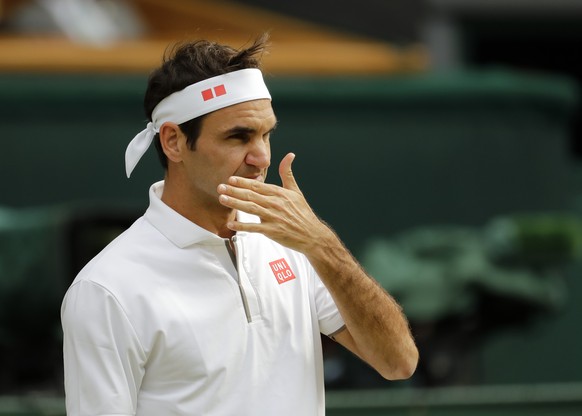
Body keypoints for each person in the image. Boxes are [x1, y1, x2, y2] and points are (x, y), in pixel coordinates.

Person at [61, 33, 418, 416]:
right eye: (239, 136)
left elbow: (398, 362)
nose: (261, 157)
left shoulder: (297, 244)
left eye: (267, 134)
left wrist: (322, 245)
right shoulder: (105, 290)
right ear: (173, 142)